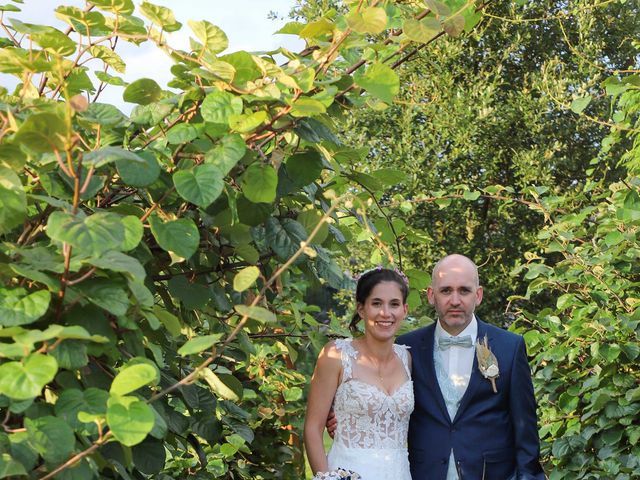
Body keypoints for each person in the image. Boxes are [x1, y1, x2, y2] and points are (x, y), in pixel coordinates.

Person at [396, 254, 545, 479]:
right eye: (446, 290)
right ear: (430, 295)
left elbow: (525, 428)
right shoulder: (406, 348)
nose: (455, 300)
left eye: (464, 291)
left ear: (478, 295)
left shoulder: (510, 347)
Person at [304, 268, 414, 480]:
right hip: (348, 471)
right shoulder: (336, 355)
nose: (385, 313)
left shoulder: (407, 359)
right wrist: (327, 478)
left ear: (404, 310)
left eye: (394, 304)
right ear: (361, 309)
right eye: (376, 303)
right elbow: (312, 428)